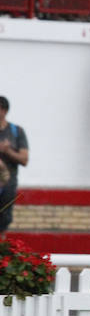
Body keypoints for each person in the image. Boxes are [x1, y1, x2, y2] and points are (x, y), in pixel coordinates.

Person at [0, 96, 29, 233]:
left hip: (7, 185)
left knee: (4, 221)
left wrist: (7, 151)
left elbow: (24, 159)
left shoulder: (16, 132)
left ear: (4, 111)